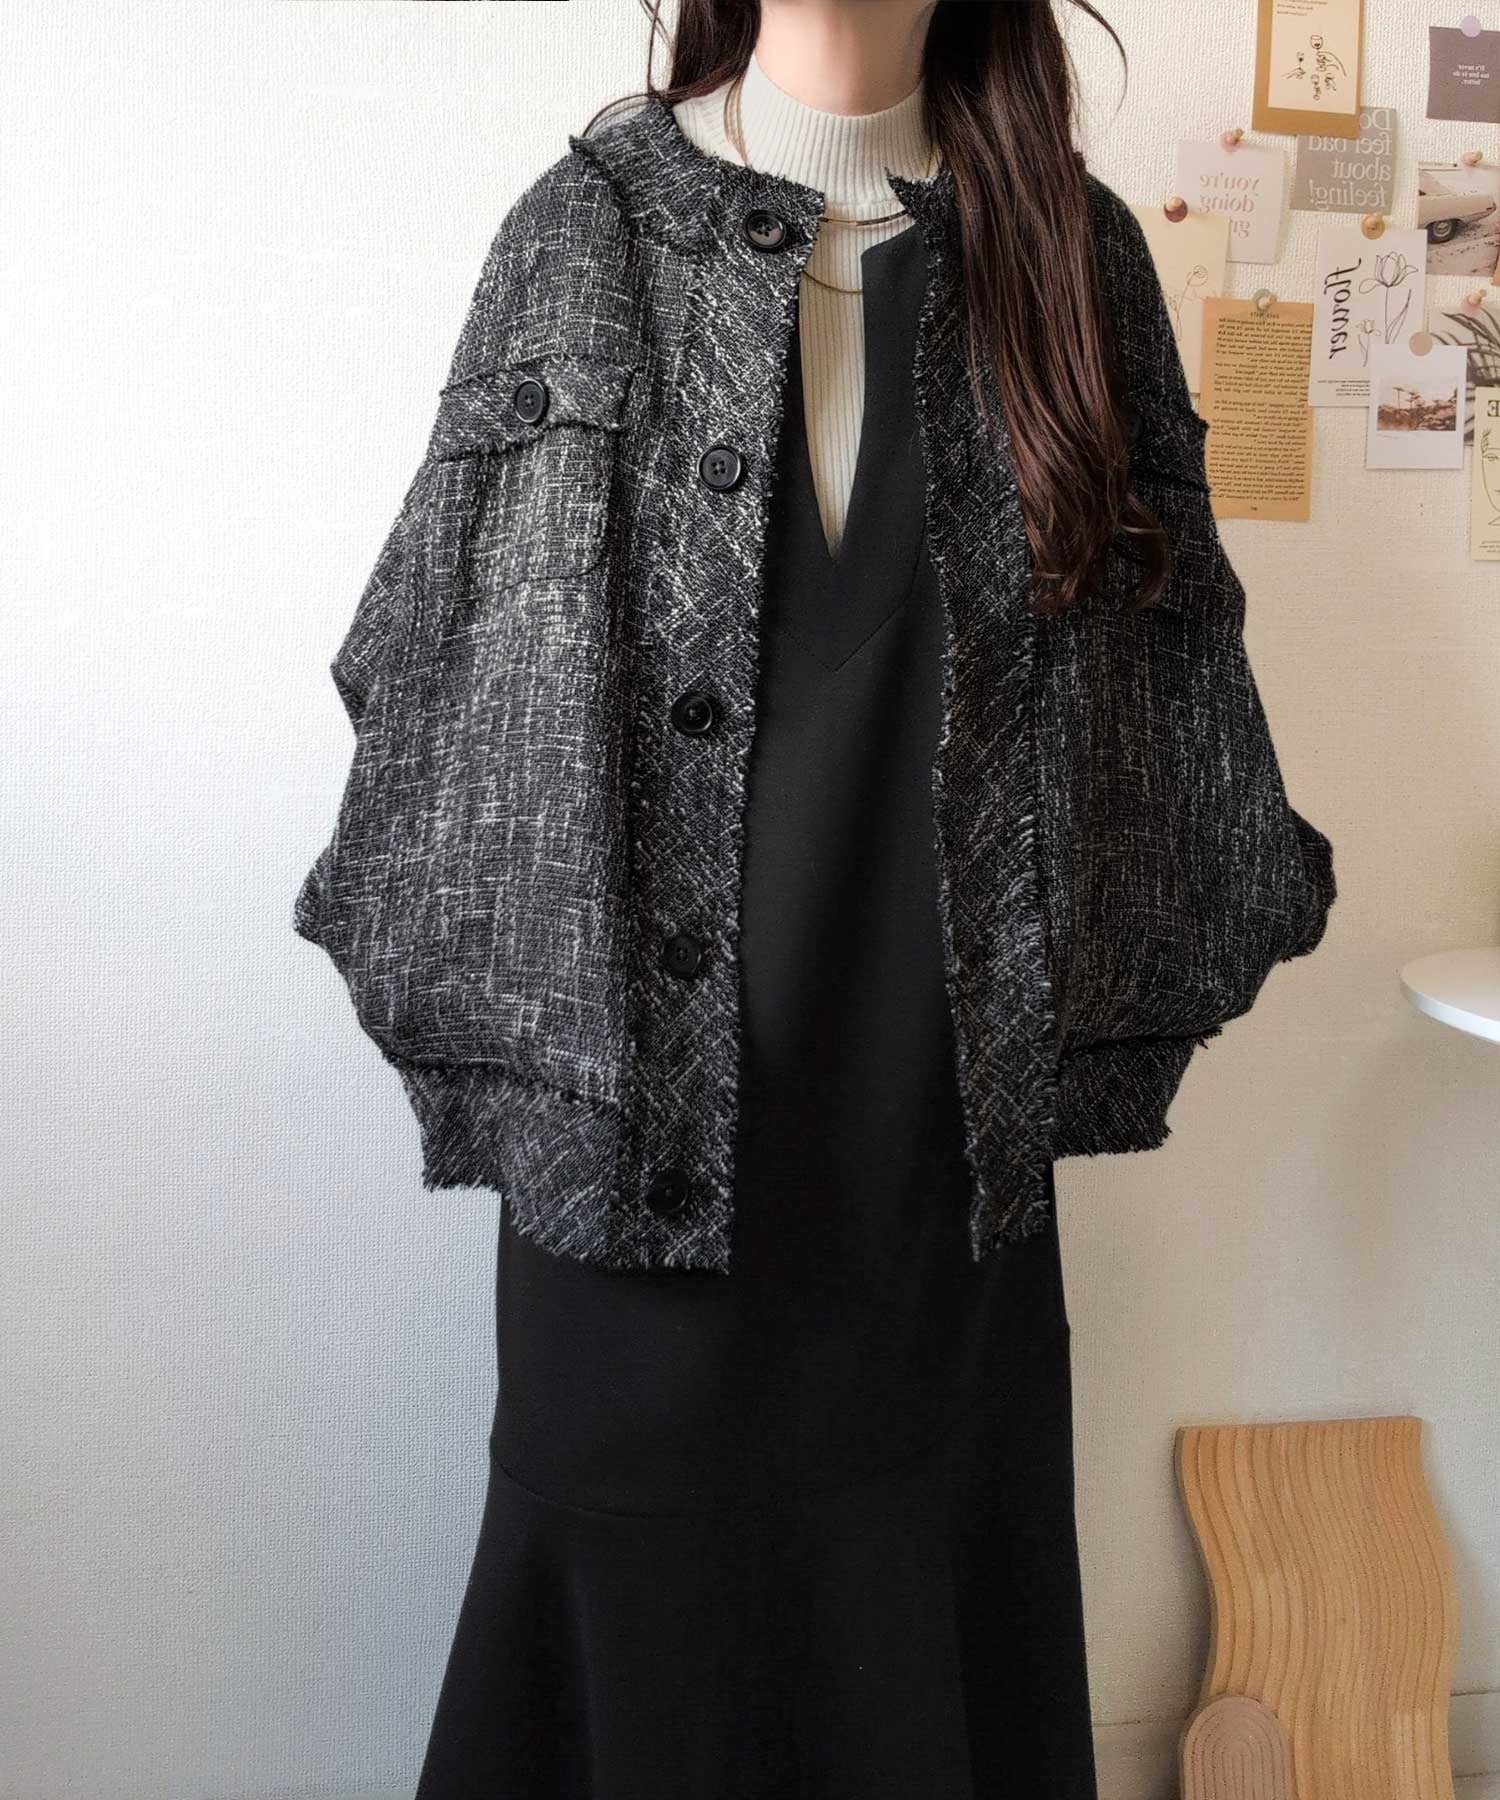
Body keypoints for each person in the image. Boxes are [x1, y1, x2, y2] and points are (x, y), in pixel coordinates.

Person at [292, 2, 1337, 1794]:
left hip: (942, 1202)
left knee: (922, 1670)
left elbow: (1171, 702)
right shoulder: (587, 230)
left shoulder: (1070, 253)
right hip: (635, 1195)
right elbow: (454, 690)